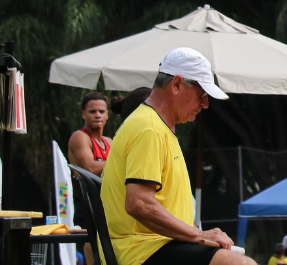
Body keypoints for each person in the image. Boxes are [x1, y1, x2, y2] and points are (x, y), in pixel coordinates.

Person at [100, 47, 254, 265]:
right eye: (202, 94)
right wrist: (198, 234)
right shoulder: (149, 129)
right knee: (240, 264)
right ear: (177, 84)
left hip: (155, 245)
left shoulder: (156, 126)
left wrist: (196, 235)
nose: (206, 104)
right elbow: (139, 203)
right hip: (142, 250)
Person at [68, 91, 112, 265]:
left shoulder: (109, 141)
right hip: (87, 205)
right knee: (91, 245)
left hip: (107, 204)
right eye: (93, 111)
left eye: (101, 111)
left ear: (107, 114)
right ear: (83, 114)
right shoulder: (80, 137)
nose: (98, 115)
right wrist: (119, 163)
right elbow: (90, 168)